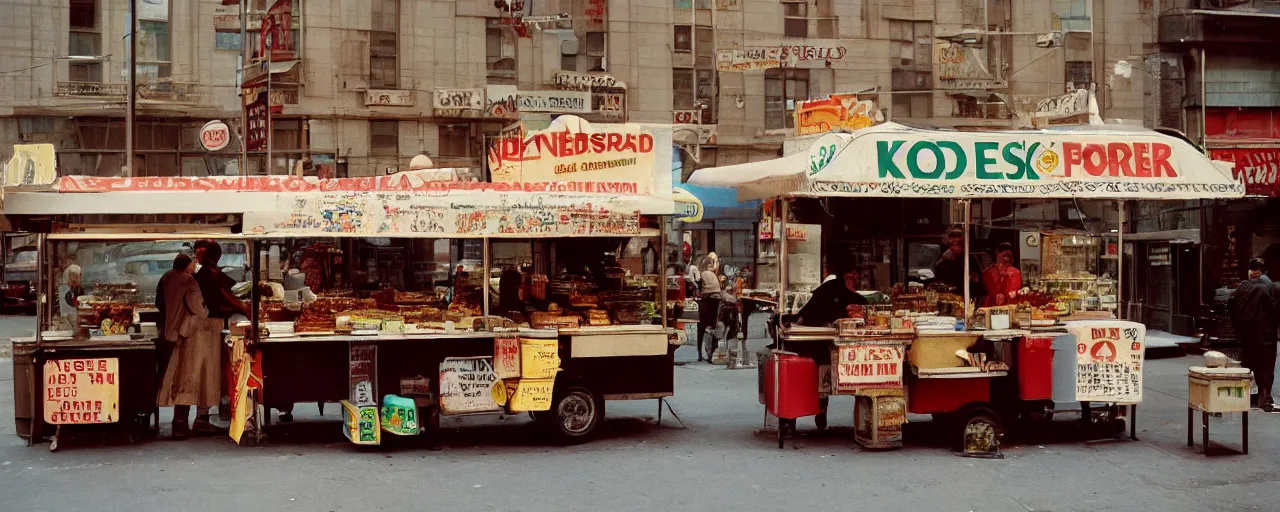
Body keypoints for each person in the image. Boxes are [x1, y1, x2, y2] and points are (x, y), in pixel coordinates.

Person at [155, 253, 211, 438]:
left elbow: (158, 303)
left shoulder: (166, 277)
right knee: (185, 379)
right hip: (184, 336)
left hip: (166, 334)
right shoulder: (189, 281)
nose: (194, 266)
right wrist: (205, 312)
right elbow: (197, 308)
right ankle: (180, 424)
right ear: (188, 265)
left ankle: (176, 422)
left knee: (170, 378)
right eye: (193, 263)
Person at [1229, 258, 1278, 412]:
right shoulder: (1272, 288)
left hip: (1248, 335)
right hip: (1266, 336)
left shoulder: (1244, 287)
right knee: (1266, 368)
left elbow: (1231, 305)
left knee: (1250, 365)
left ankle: (1242, 397)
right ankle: (1264, 398)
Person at [796, 261, 869, 327]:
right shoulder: (831, 288)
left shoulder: (830, 286)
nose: (860, 280)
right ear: (853, 274)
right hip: (817, 332)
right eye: (859, 276)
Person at [696, 256, 721, 362]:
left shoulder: (702, 274)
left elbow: (698, 288)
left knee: (701, 327)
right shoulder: (712, 275)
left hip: (707, 300)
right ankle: (711, 353)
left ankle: (700, 353)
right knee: (712, 325)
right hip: (716, 299)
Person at [981, 242, 1022, 307]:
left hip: (1010, 306)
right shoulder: (987, 273)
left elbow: (1015, 292)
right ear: (997, 255)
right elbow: (985, 292)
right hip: (991, 307)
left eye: (1008, 255)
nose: (1006, 258)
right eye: (1003, 253)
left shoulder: (1015, 272)